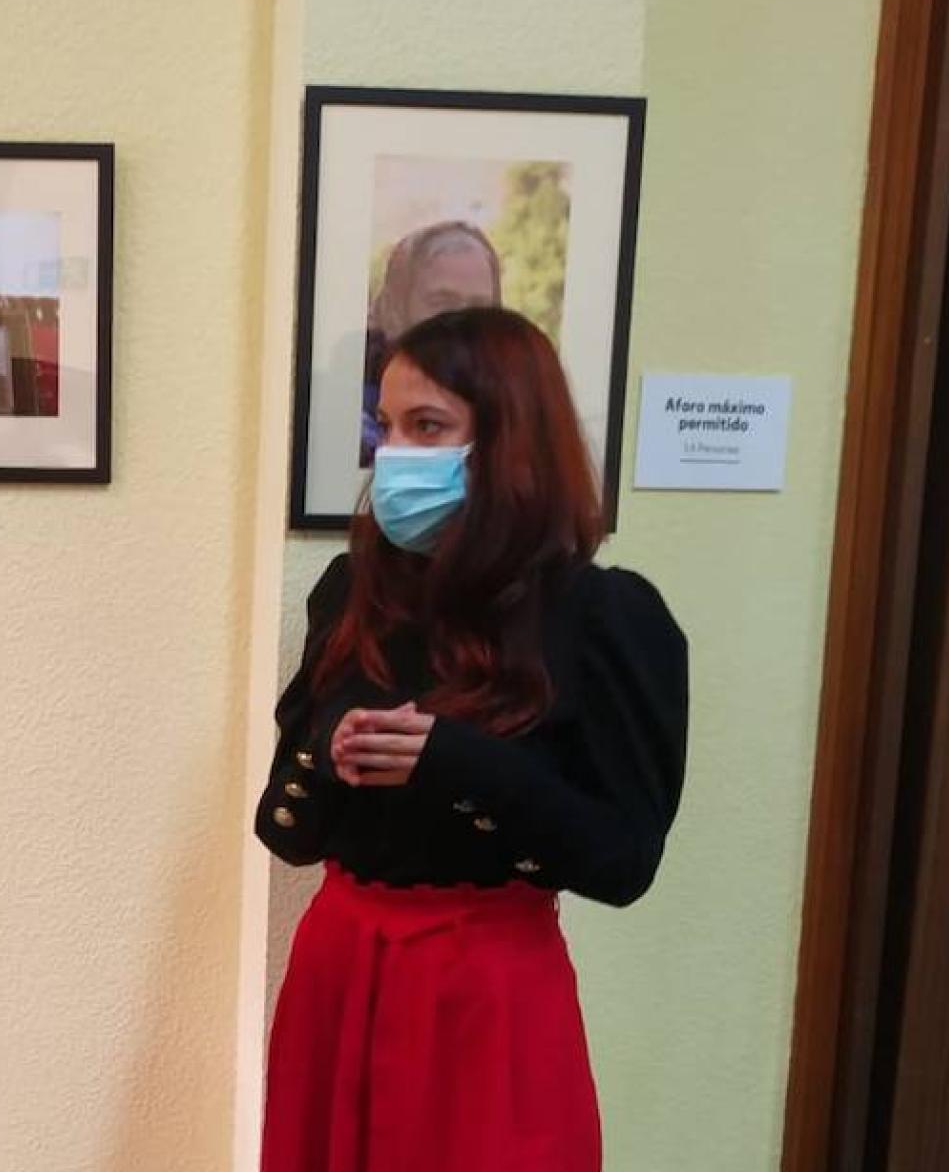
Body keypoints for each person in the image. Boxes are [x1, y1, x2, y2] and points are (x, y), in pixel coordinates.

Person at [256, 306, 688, 1172]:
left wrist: (456, 761)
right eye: (386, 427)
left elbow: (624, 862)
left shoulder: (604, 616)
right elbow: (286, 834)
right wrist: (330, 751)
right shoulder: (355, 591)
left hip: (486, 994)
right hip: (338, 971)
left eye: (428, 427)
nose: (397, 456)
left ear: (509, 443)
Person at [360, 221, 502, 464]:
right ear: (396, 308)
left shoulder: (512, 401)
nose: (461, 322)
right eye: (442, 302)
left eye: (479, 307)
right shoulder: (356, 403)